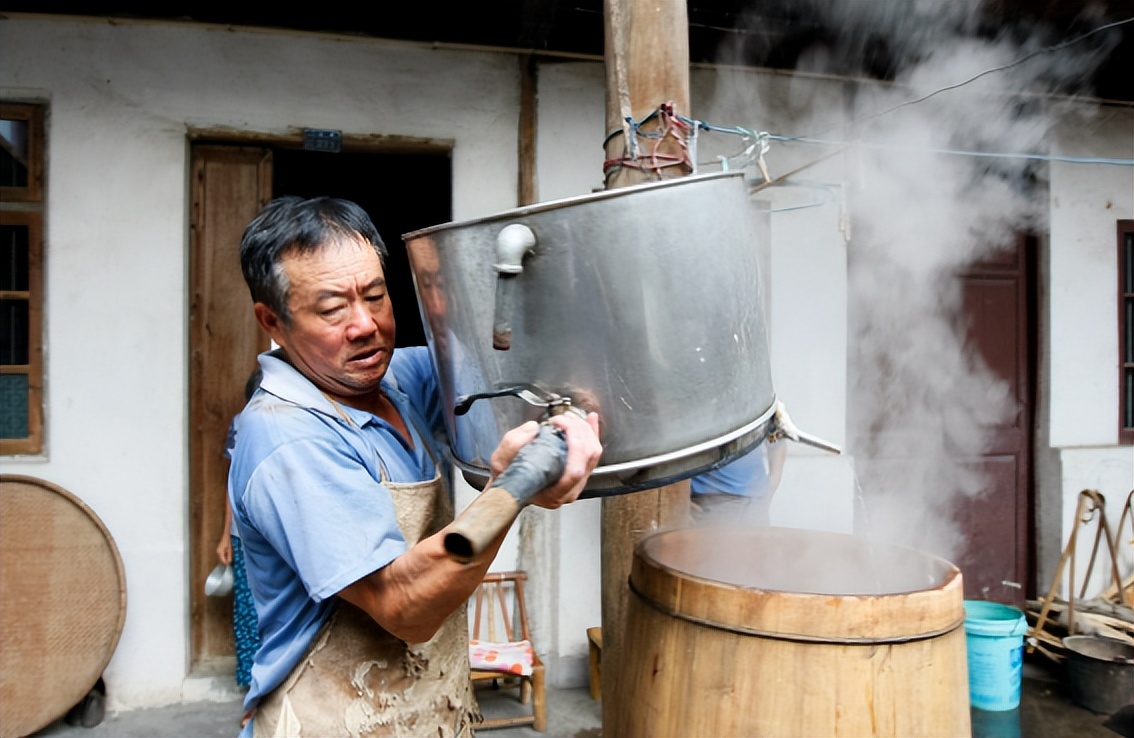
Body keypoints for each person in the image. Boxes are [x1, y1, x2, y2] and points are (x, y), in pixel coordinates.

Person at [227, 196, 602, 738]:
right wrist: (511, 489)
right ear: (273, 322)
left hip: (427, 714)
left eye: (376, 296)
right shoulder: (286, 435)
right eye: (332, 308)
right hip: (330, 722)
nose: (366, 325)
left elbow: (514, 369)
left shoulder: (398, 382)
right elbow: (403, 606)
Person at [215, 368, 263, 690]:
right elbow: (232, 482)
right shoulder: (241, 425)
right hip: (245, 536)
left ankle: (281, 686)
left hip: (282, 537)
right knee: (248, 610)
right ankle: (251, 688)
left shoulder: (298, 422)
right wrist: (225, 534)